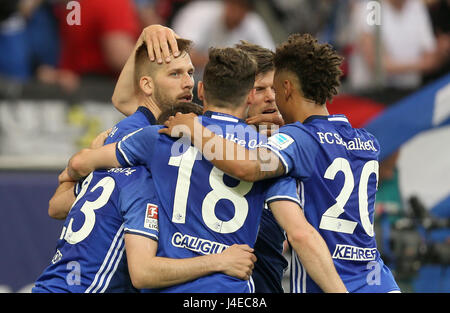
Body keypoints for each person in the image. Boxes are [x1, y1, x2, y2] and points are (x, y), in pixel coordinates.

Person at [61, 46, 347, 293]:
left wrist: (76, 168)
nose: (269, 97)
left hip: (167, 284)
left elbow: (79, 163)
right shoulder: (266, 155)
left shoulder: (159, 137)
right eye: (260, 89)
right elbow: (300, 234)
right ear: (249, 96)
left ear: (200, 90)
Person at [161, 33, 400, 293]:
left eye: (273, 88)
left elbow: (248, 167)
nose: (272, 98)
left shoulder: (294, 142)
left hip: (332, 284)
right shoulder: (366, 142)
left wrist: (195, 130)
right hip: (381, 282)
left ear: (286, 88)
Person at [33, 100, 254, 293]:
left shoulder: (104, 174)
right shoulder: (143, 187)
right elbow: (143, 273)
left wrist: (75, 172)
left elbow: (55, 207)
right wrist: (220, 260)